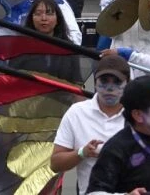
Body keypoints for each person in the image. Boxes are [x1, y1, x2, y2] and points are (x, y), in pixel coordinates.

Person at [51, 55, 130, 195]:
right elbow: (55, 163)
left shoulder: (138, 115)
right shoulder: (77, 112)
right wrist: (82, 153)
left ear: (127, 84)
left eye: (117, 82)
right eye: (104, 81)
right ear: (95, 83)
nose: (110, 88)